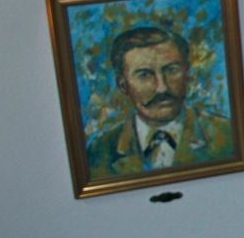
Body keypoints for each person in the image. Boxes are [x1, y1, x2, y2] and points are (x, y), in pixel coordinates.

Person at [86, 25, 235, 179]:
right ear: (123, 85)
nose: (162, 88)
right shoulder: (100, 151)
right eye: (144, 75)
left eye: (171, 70)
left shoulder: (227, 135)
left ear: (187, 73)